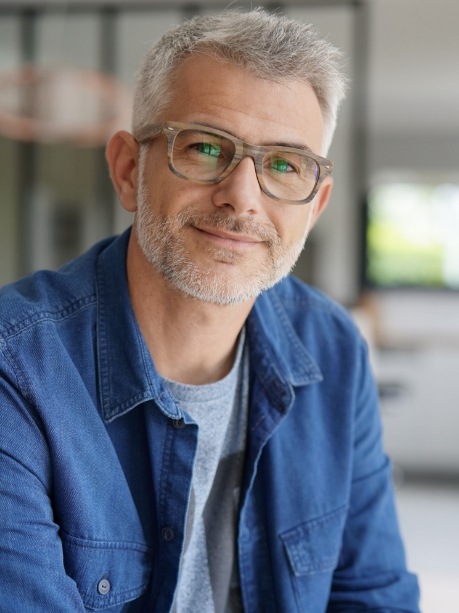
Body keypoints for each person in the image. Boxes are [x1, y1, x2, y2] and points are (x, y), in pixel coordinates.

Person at [0, 9, 420, 613]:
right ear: (127, 170)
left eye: (283, 164)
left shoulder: (333, 349)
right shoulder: (17, 367)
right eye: (203, 147)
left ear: (316, 204)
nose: (242, 198)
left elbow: (373, 596)